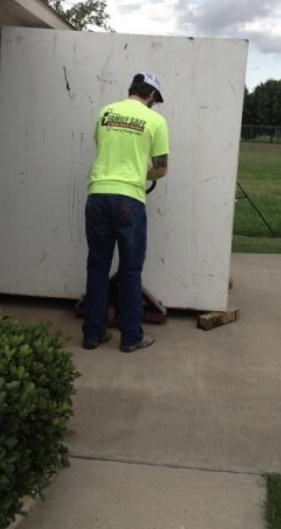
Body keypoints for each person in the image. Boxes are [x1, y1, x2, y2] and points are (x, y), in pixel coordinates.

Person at [82, 72, 170, 352]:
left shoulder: (106, 112)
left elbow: (103, 149)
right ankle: (131, 337)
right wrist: (141, 170)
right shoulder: (155, 120)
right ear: (152, 96)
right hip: (129, 200)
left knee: (97, 267)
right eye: (156, 100)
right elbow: (161, 167)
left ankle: (92, 335)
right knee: (130, 271)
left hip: (97, 195)